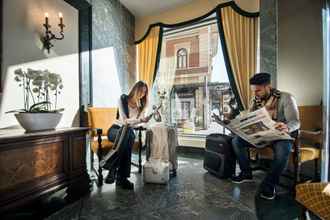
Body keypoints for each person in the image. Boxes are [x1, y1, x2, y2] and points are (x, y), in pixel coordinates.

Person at [231, 72, 300, 200]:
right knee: (236, 141)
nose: (255, 94)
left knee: (282, 150)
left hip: (280, 136)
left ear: (268, 86)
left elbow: (295, 122)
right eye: (253, 91)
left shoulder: (286, 98)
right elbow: (250, 118)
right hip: (261, 135)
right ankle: (246, 173)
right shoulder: (255, 100)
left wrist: (287, 127)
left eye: (258, 90)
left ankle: (270, 185)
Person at [104, 81, 152, 190]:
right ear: (135, 89)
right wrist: (139, 120)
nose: (142, 94)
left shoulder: (141, 106)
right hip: (115, 130)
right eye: (140, 91)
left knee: (129, 134)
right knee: (128, 133)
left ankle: (113, 169)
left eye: (144, 92)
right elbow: (125, 120)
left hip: (128, 132)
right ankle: (122, 178)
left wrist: (143, 121)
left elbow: (135, 124)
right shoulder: (123, 99)